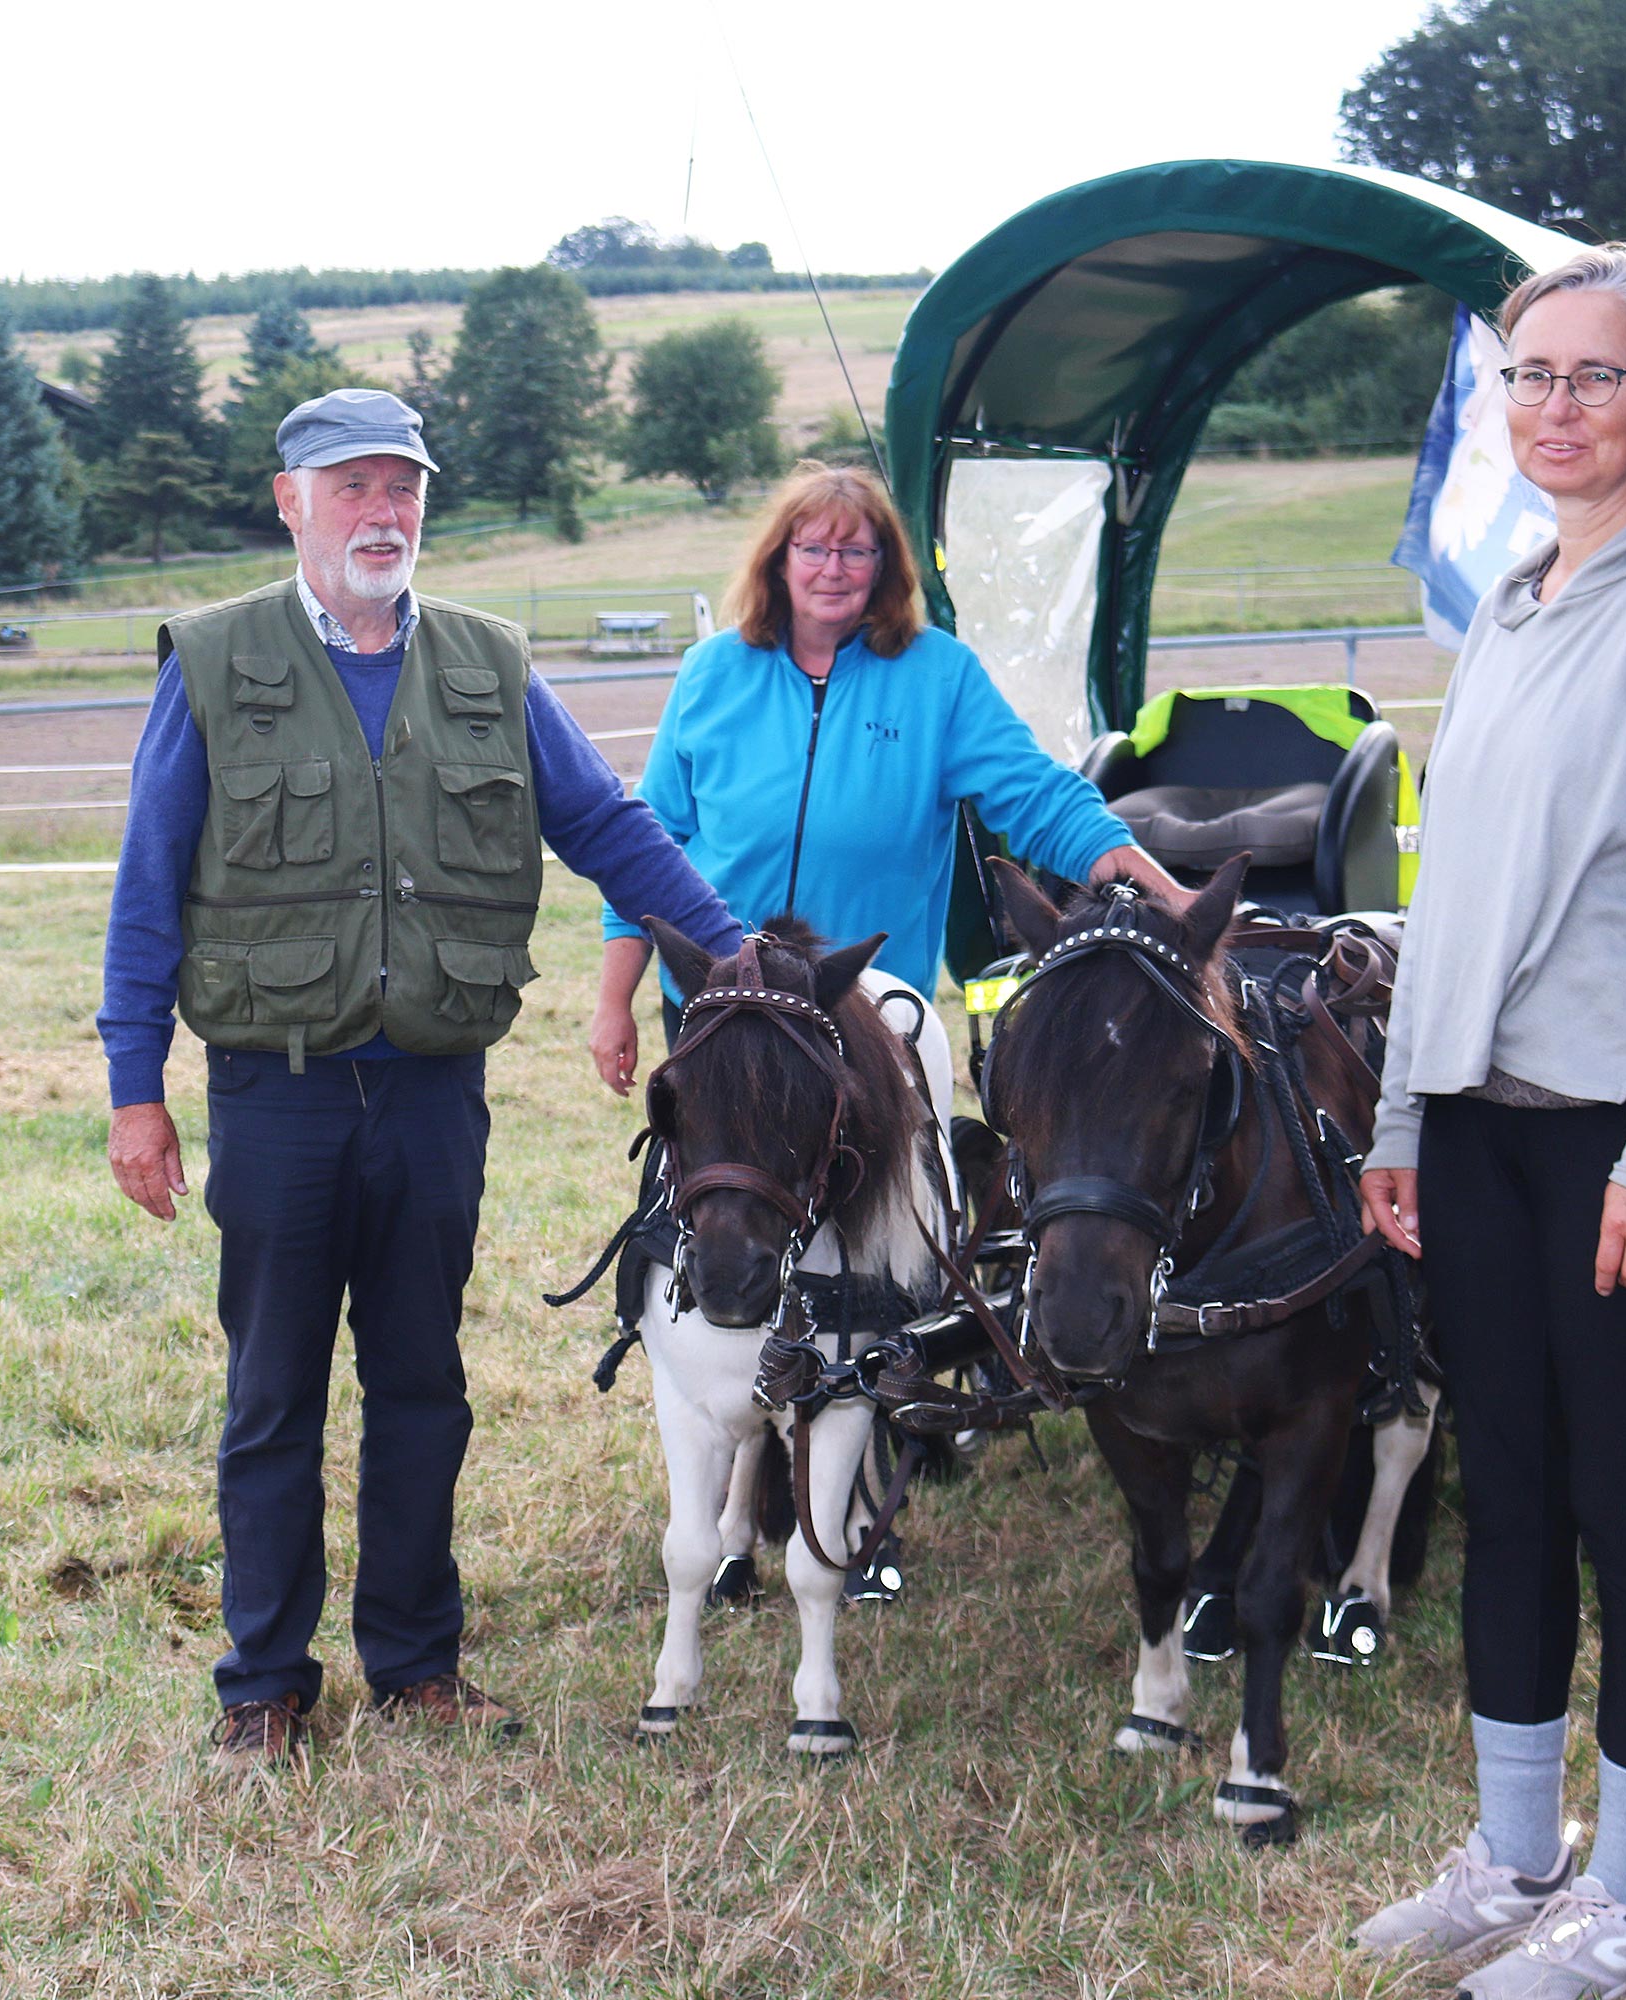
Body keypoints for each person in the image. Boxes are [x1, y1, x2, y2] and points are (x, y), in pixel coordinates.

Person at [98, 388, 743, 1768]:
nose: (382, 515)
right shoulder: (212, 664)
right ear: (291, 504)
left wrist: (733, 954)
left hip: (435, 1097)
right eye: (352, 489)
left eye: (403, 489)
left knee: (421, 1384)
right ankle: (263, 1682)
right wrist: (133, 1084)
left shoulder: (489, 666)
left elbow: (608, 828)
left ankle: (415, 1661)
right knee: (272, 1393)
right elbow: (148, 884)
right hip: (276, 1097)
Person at [1349, 247, 1626, 1997]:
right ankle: (1513, 1854)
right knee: (1513, 1492)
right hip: (1477, 1126)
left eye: (1590, 377)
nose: (1554, 408)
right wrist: (1400, 1115)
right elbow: (1448, 893)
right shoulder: (1514, 611)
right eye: (1527, 377)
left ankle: (1625, 1904)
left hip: (1623, 1133)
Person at [586, 461, 1172, 1090]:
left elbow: (1042, 799)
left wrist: (1172, 897)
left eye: (854, 551)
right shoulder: (710, 671)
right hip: (721, 997)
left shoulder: (940, 676)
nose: (831, 569)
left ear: (884, 566)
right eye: (812, 548)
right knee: (713, 1188)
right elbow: (651, 847)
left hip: (867, 1007)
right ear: (779, 559)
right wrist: (613, 1002)